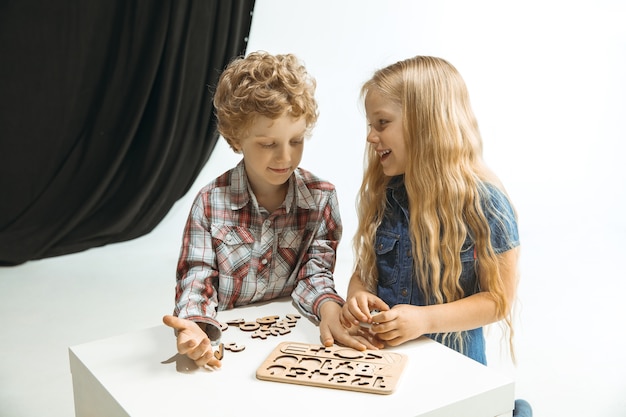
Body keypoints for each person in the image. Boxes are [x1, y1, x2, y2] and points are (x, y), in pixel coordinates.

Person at [340, 55, 532, 416]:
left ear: (424, 123)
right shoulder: (386, 193)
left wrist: (424, 320)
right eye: (370, 123)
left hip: (455, 382)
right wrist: (358, 295)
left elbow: (499, 300)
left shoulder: (485, 202)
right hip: (388, 374)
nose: (370, 135)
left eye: (382, 123)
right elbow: (366, 273)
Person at [162, 51, 370, 369]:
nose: (285, 157)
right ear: (236, 138)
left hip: (291, 339)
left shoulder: (321, 199)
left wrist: (329, 307)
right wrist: (195, 323)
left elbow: (315, 274)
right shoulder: (210, 202)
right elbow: (197, 276)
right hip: (230, 340)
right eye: (268, 144)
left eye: (296, 140)